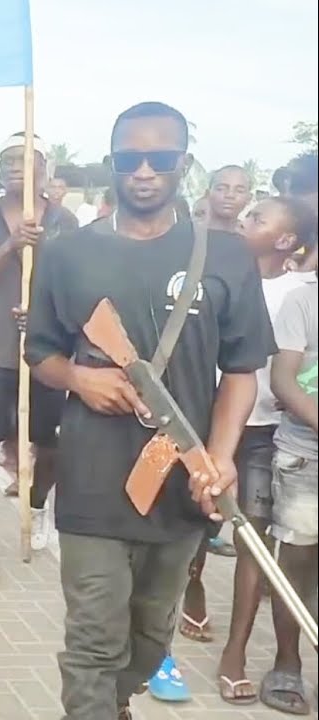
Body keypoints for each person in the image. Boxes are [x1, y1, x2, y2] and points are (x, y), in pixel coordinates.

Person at [24, 102, 273, 720]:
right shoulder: (68, 252)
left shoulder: (225, 255)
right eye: (128, 159)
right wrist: (79, 378)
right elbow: (41, 354)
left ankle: (114, 704)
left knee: (149, 638)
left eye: (159, 160)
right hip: (91, 476)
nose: (142, 172)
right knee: (92, 639)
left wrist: (219, 456)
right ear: (111, 165)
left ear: (183, 165)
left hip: (181, 483)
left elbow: (242, 369)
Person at [170, 195, 316, 705]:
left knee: (251, 538)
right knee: (189, 525)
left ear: (286, 241)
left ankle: (234, 650)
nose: (244, 220)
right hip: (201, 421)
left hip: (265, 433)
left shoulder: (296, 292)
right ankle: (187, 593)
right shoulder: (214, 273)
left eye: (259, 218)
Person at [0, 133, 79, 590]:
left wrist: (46, 310)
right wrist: (10, 246)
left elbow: (76, 287)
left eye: (26, 161)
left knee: (49, 450)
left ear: (44, 170)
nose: (16, 168)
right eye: (8, 161)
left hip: (46, 354)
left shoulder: (65, 222)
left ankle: (37, 507)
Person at [261, 278, 317, 716]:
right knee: (294, 561)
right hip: (306, 456)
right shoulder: (305, 300)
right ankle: (287, 663)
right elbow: (284, 379)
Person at [204, 165, 253, 232]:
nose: (230, 195)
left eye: (239, 191)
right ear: (207, 194)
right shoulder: (187, 233)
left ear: (249, 198)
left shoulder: (253, 240)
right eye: (221, 189)